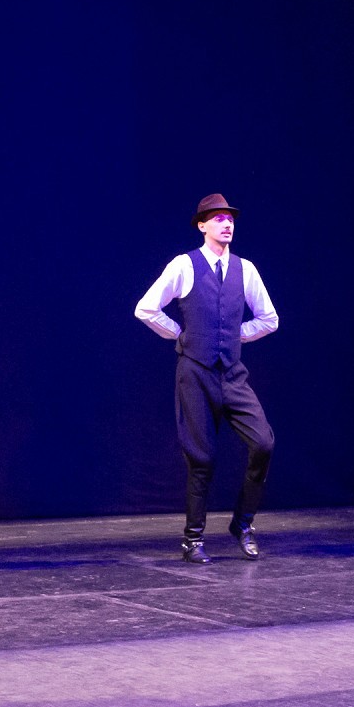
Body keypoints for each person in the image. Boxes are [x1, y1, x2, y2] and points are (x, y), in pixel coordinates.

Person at [135, 194, 278, 564]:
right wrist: (180, 334)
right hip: (195, 374)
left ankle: (242, 523)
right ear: (202, 225)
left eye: (230, 218)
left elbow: (269, 319)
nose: (227, 224)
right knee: (202, 457)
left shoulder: (246, 269)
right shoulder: (185, 265)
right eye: (218, 218)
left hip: (232, 374)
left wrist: (234, 335)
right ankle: (193, 538)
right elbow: (146, 308)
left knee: (263, 443)